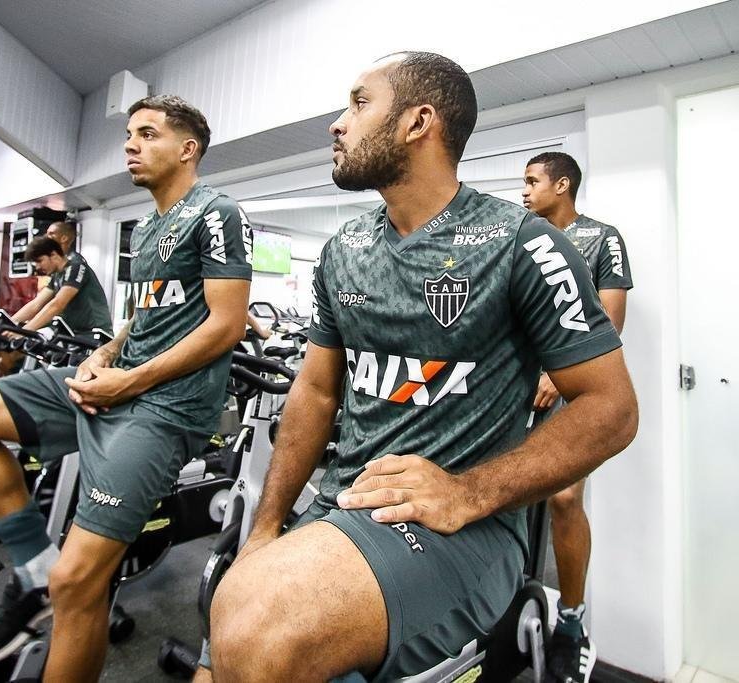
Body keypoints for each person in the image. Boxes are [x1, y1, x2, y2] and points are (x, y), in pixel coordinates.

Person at [202, 52, 638, 683]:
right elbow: (317, 393)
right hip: (341, 503)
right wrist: (265, 528)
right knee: (226, 631)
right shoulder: (343, 249)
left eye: (357, 103)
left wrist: (470, 492)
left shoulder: (523, 243)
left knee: (257, 626)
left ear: (418, 122)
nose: (336, 124)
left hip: (461, 530)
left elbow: (612, 409)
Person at [0, 94, 253, 681]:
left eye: (147, 134)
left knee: (79, 583)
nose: (130, 144)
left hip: (163, 409)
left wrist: (129, 380)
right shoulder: (151, 225)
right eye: (129, 133)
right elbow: (149, 313)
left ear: (188, 149)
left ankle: (58, 585)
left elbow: (226, 324)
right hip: (115, 380)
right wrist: (105, 353)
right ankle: (32, 568)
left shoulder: (217, 212)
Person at [522, 150, 634, 682]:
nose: (523, 192)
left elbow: (609, 321)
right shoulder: (524, 235)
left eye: (532, 182)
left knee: (564, 496)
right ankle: (499, 599)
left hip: (572, 388)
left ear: (562, 185)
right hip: (518, 387)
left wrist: (555, 375)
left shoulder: (602, 237)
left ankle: (571, 621)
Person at [0, 226, 112, 375]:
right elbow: (36, 304)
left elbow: (57, 304)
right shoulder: (57, 275)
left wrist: (25, 331)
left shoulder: (76, 267)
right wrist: (9, 324)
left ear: (54, 255)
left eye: (39, 261)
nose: (38, 266)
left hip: (94, 336)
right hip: (72, 335)